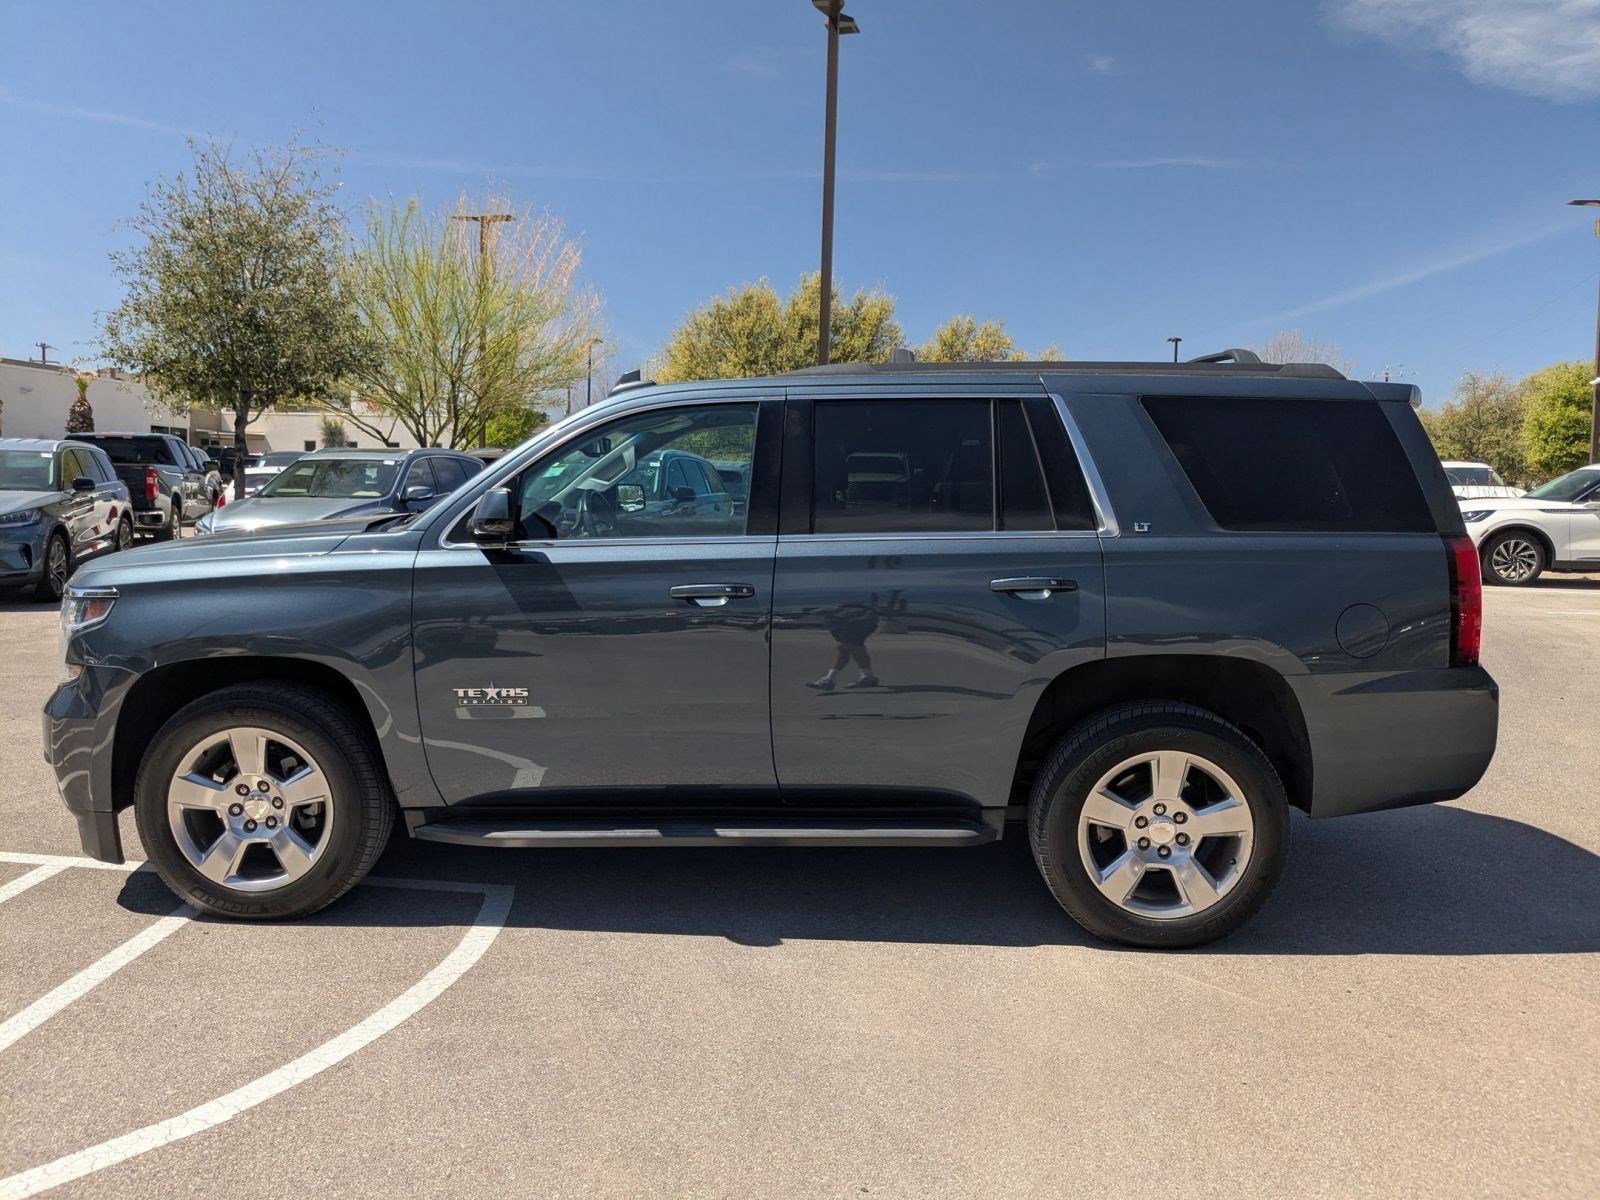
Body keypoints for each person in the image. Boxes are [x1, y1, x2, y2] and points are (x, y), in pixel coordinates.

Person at [807, 598, 880, 691]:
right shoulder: (857, 613)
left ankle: (829, 679)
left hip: (853, 628)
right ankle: (868, 677)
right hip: (861, 627)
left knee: (845, 649)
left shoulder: (839, 615)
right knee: (857, 651)